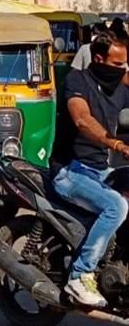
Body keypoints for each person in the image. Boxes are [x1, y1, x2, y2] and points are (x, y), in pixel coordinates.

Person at [51, 32, 129, 307]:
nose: (123, 69)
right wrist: (116, 144)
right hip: (70, 172)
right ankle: (79, 275)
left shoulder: (120, 87)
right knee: (116, 206)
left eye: (126, 64)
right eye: (118, 64)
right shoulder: (77, 81)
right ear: (98, 59)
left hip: (101, 170)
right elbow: (82, 119)